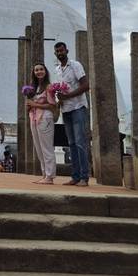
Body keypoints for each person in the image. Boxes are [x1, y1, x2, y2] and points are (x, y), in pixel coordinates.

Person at [54, 41, 90, 186]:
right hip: (66, 109)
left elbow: (86, 85)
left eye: (62, 50)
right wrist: (58, 97)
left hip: (78, 107)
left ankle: (84, 177)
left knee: (80, 142)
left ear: (67, 51)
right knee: (72, 143)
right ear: (55, 53)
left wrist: (68, 96)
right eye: (57, 51)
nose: (60, 53)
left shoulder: (75, 65)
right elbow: (60, 89)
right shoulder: (57, 70)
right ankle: (75, 176)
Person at [27, 63, 57, 184]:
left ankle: (50, 176)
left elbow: (52, 105)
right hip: (34, 118)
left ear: (45, 71)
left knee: (46, 147)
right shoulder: (33, 88)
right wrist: (29, 105)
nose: (39, 72)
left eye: (41, 69)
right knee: (38, 148)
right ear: (33, 73)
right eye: (36, 70)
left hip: (45, 118)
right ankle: (44, 173)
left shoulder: (49, 87)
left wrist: (35, 105)